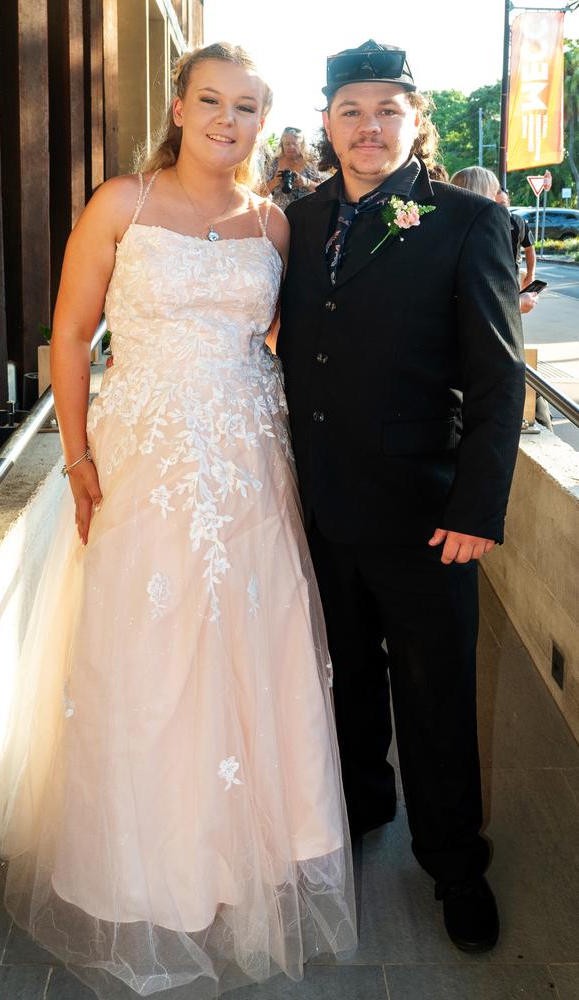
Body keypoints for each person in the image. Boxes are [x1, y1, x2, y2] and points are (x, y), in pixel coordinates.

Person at [0, 41, 356, 999]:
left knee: (250, 648)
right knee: (152, 657)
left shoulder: (274, 224)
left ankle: (241, 860)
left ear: (262, 119)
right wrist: (74, 456)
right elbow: (70, 336)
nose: (226, 121)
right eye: (210, 101)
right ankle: (151, 869)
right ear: (179, 106)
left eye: (246, 107)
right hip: (144, 465)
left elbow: (278, 342)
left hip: (248, 465)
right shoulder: (123, 202)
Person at [277, 39, 524, 954]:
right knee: (345, 680)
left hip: (428, 517)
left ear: (416, 118)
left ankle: (455, 864)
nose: (368, 127)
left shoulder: (465, 220)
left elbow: (501, 383)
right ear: (329, 118)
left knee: (437, 696)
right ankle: (366, 809)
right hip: (321, 507)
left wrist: (475, 508)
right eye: (351, 110)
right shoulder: (296, 222)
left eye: (387, 110)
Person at [450, 168, 538, 314]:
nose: (495, 201)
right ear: (480, 194)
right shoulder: (482, 236)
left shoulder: (449, 228)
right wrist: (519, 302)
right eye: (492, 193)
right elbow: (483, 297)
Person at [265, 126, 323, 209]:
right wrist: (275, 181)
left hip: (305, 215)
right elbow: (260, 194)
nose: (291, 147)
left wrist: (306, 182)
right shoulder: (273, 164)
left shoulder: (310, 163)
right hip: (279, 215)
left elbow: (323, 191)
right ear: (282, 144)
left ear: (302, 145)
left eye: (295, 144)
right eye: (287, 144)